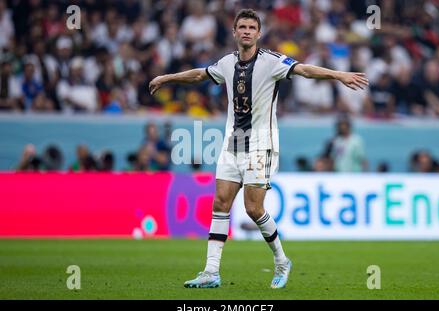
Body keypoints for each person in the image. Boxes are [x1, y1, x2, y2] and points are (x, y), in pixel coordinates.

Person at [149, 9, 368, 289]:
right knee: (220, 203)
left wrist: (338, 75)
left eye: (252, 27)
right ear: (234, 32)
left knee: (253, 208)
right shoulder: (227, 63)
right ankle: (211, 272)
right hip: (233, 144)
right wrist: (167, 78)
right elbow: (199, 76)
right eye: (242, 27)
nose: (247, 31)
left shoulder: (272, 62)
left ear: (259, 33)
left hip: (261, 145)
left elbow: (305, 70)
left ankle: (281, 260)